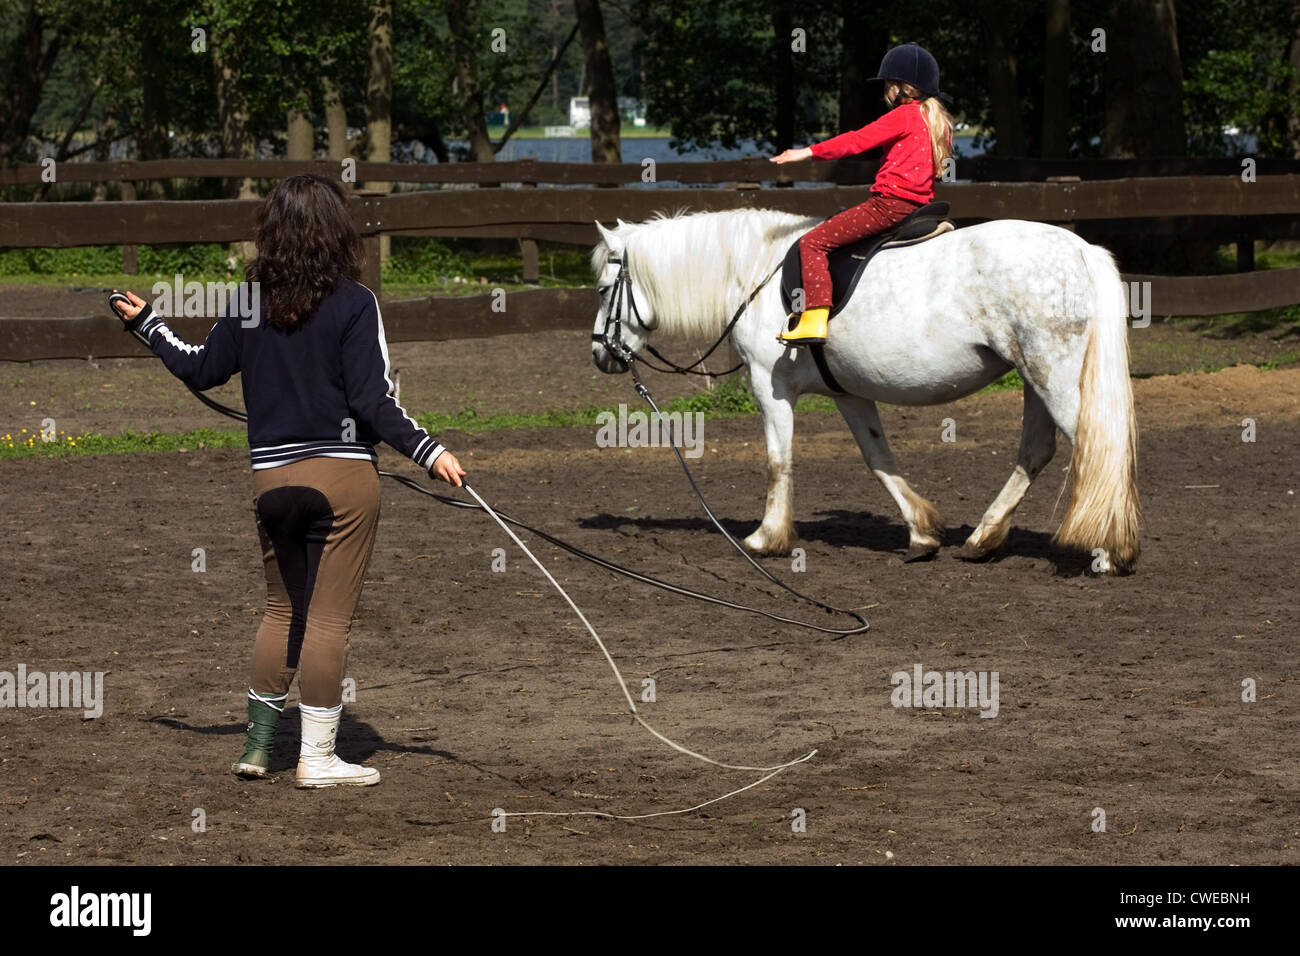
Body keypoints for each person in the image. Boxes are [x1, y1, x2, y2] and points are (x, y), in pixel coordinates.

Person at [113, 174, 466, 789]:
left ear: (272, 232)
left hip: (270, 482)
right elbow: (373, 401)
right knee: (327, 622)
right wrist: (429, 451)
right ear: (337, 230)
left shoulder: (249, 300)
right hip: (343, 482)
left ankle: (257, 747)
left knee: (282, 610)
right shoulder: (357, 302)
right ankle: (318, 758)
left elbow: (202, 368)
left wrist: (149, 324)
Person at [771, 42, 954, 346]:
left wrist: (808, 152)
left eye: (887, 85)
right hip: (920, 207)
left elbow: (857, 141)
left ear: (901, 87)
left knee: (812, 243)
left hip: (888, 206)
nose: (885, 91)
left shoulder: (904, 115)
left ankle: (814, 316)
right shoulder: (938, 122)